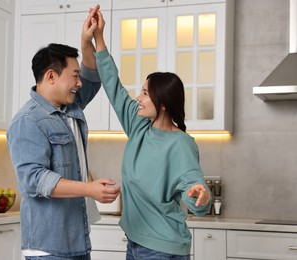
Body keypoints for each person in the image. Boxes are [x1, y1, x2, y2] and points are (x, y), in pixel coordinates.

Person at [89, 9, 212, 260]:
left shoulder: (180, 144)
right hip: (136, 243)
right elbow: (113, 85)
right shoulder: (138, 125)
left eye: (145, 93)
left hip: (162, 248)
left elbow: (195, 196)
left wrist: (201, 196)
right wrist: (99, 38)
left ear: (163, 104)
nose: (138, 97)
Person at [6, 6, 120, 260]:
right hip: (49, 247)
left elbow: (92, 77)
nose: (79, 83)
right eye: (74, 76)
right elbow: (34, 179)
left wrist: (86, 39)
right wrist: (88, 189)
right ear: (51, 76)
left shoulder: (70, 106)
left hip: (76, 240)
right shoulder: (27, 121)